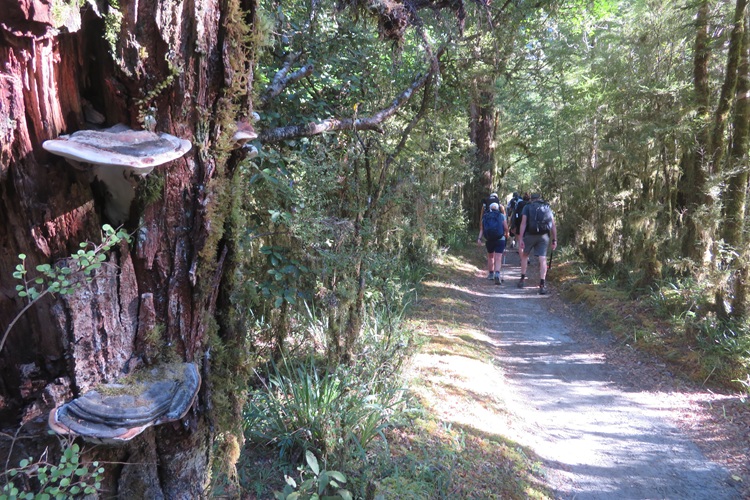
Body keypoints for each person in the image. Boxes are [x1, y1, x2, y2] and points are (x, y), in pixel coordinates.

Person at [518, 193, 557, 294]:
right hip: (544, 236)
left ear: (531, 199)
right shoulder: (546, 206)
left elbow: (523, 223)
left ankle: (522, 279)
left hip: (530, 234)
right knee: (542, 258)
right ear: (539, 198)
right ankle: (542, 284)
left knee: (525, 255)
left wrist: (521, 238)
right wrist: (554, 240)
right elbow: (553, 225)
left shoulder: (527, 207)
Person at [477, 202, 510, 284]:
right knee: (498, 257)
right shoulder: (501, 216)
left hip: (489, 239)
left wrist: (479, 238)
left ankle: (491, 274)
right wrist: (506, 235)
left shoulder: (485, 216)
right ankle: (497, 274)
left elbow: (482, 229)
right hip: (500, 238)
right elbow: (506, 227)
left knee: (490, 256)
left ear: (490, 208)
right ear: (498, 208)